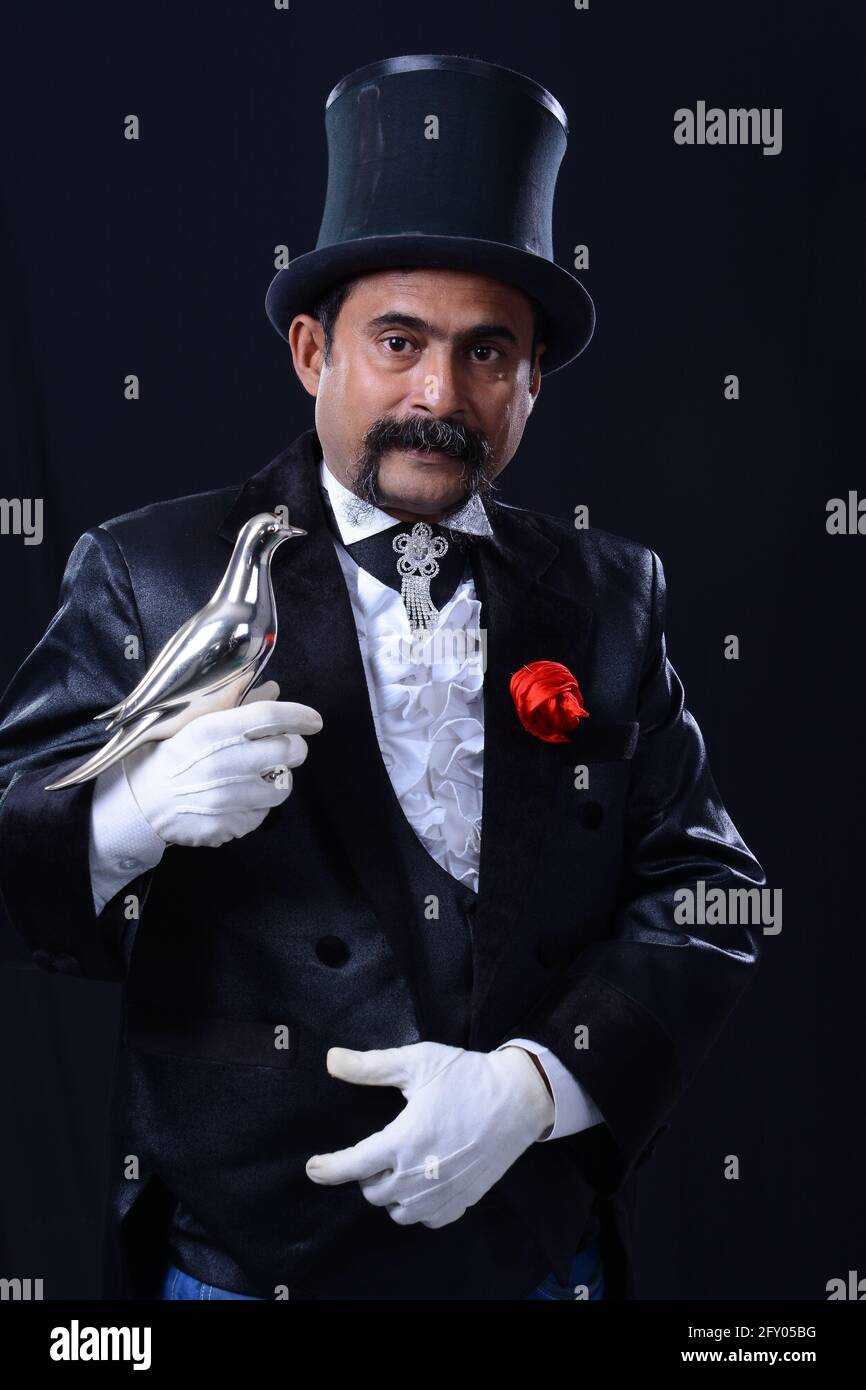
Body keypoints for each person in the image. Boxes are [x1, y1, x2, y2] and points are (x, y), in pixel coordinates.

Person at [0, 55, 764, 1301]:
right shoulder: (147, 572)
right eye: (397, 341)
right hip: (240, 1279)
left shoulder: (613, 596)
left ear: (527, 381)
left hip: (533, 1272)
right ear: (311, 351)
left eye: (485, 354)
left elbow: (714, 893)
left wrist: (535, 1088)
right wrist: (120, 819)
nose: (436, 395)